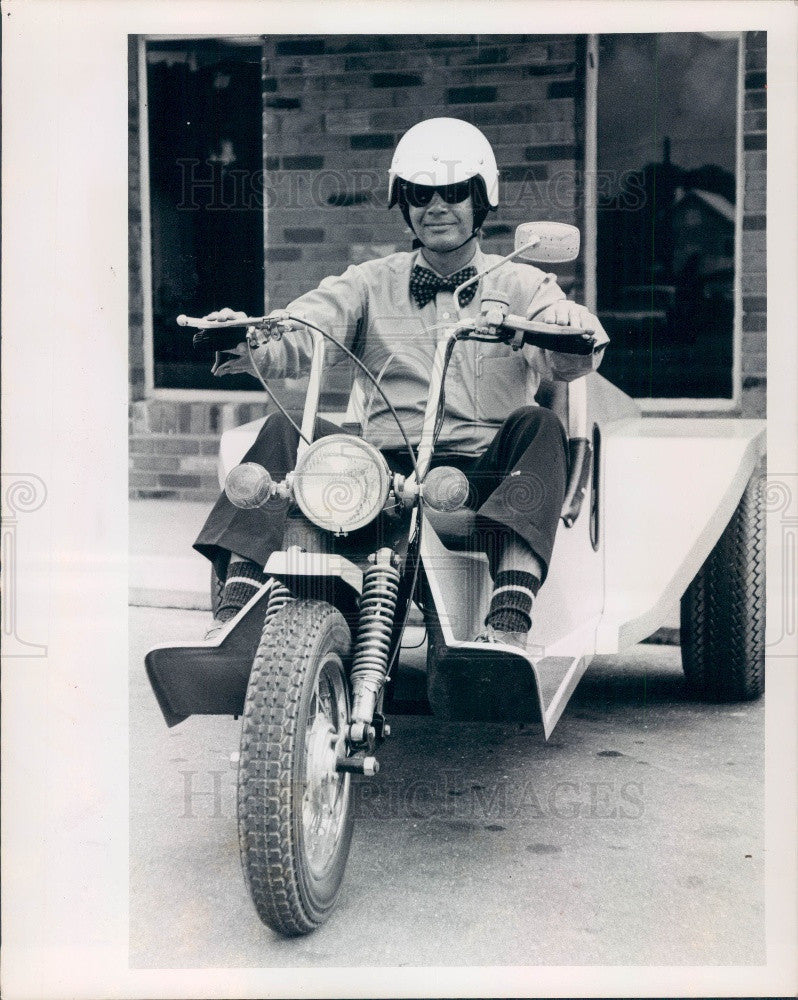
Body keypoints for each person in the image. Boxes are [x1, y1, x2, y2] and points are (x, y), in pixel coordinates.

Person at [194, 117, 609, 644]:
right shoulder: (369, 281)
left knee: (539, 424)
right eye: (420, 193)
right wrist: (248, 335)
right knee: (283, 430)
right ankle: (233, 616)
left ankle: (508, 625)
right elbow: (304, 328)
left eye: (454, 191)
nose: (437, 206)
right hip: (381, 473)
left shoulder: (522, 281)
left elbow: (568, 353)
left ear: (481, 200)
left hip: (480, 478)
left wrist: (570, 326)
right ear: (404, 203)